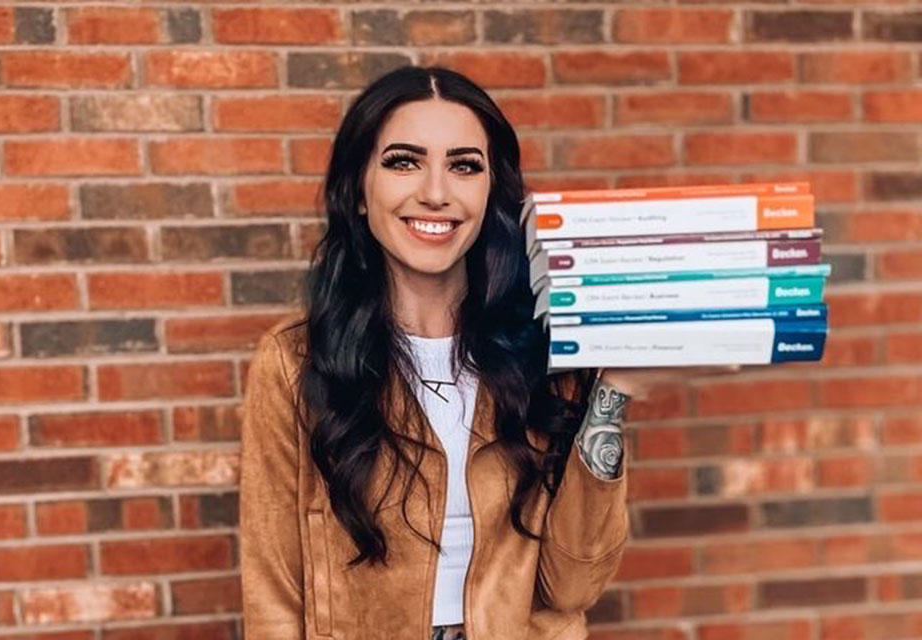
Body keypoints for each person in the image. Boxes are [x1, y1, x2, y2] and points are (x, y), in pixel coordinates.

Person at [239, 65, 730, 640]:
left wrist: (613, 390)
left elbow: (574, 586)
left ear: (491, 192)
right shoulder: (295, 361)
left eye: (464, 166)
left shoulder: (545, 354)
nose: (436, 192)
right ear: (359, 193)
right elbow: (272, 590)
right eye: (404, 161)